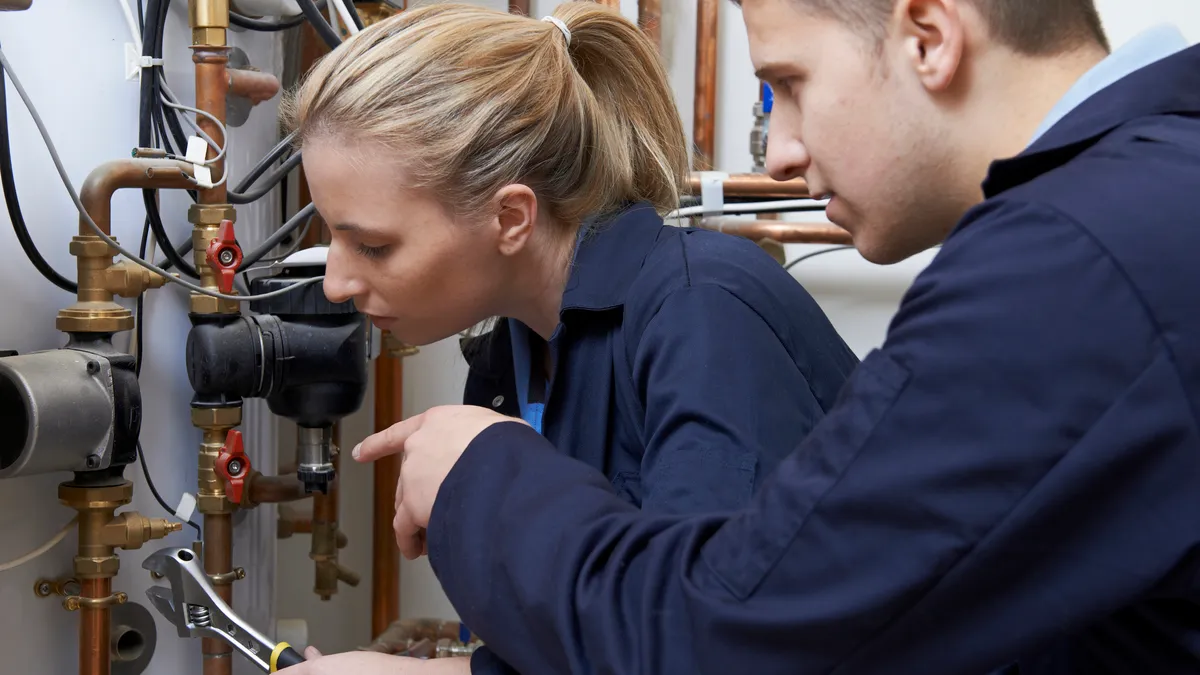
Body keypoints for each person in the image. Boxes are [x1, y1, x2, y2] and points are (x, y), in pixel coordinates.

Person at [287, 0, 1200, 673]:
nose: (782, 154)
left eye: (790, 86)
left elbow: (725, 639)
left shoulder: (1075, 255)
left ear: (930, 34)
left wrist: (479, 470)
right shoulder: (1137, 211)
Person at [280, 2, 860, 673]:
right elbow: (573, 641)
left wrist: (486, 470)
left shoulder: (703, 315)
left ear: (511, 217)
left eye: (373, 245)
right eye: (333, 238)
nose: (336, 283)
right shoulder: (510, 363)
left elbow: (707, 648)